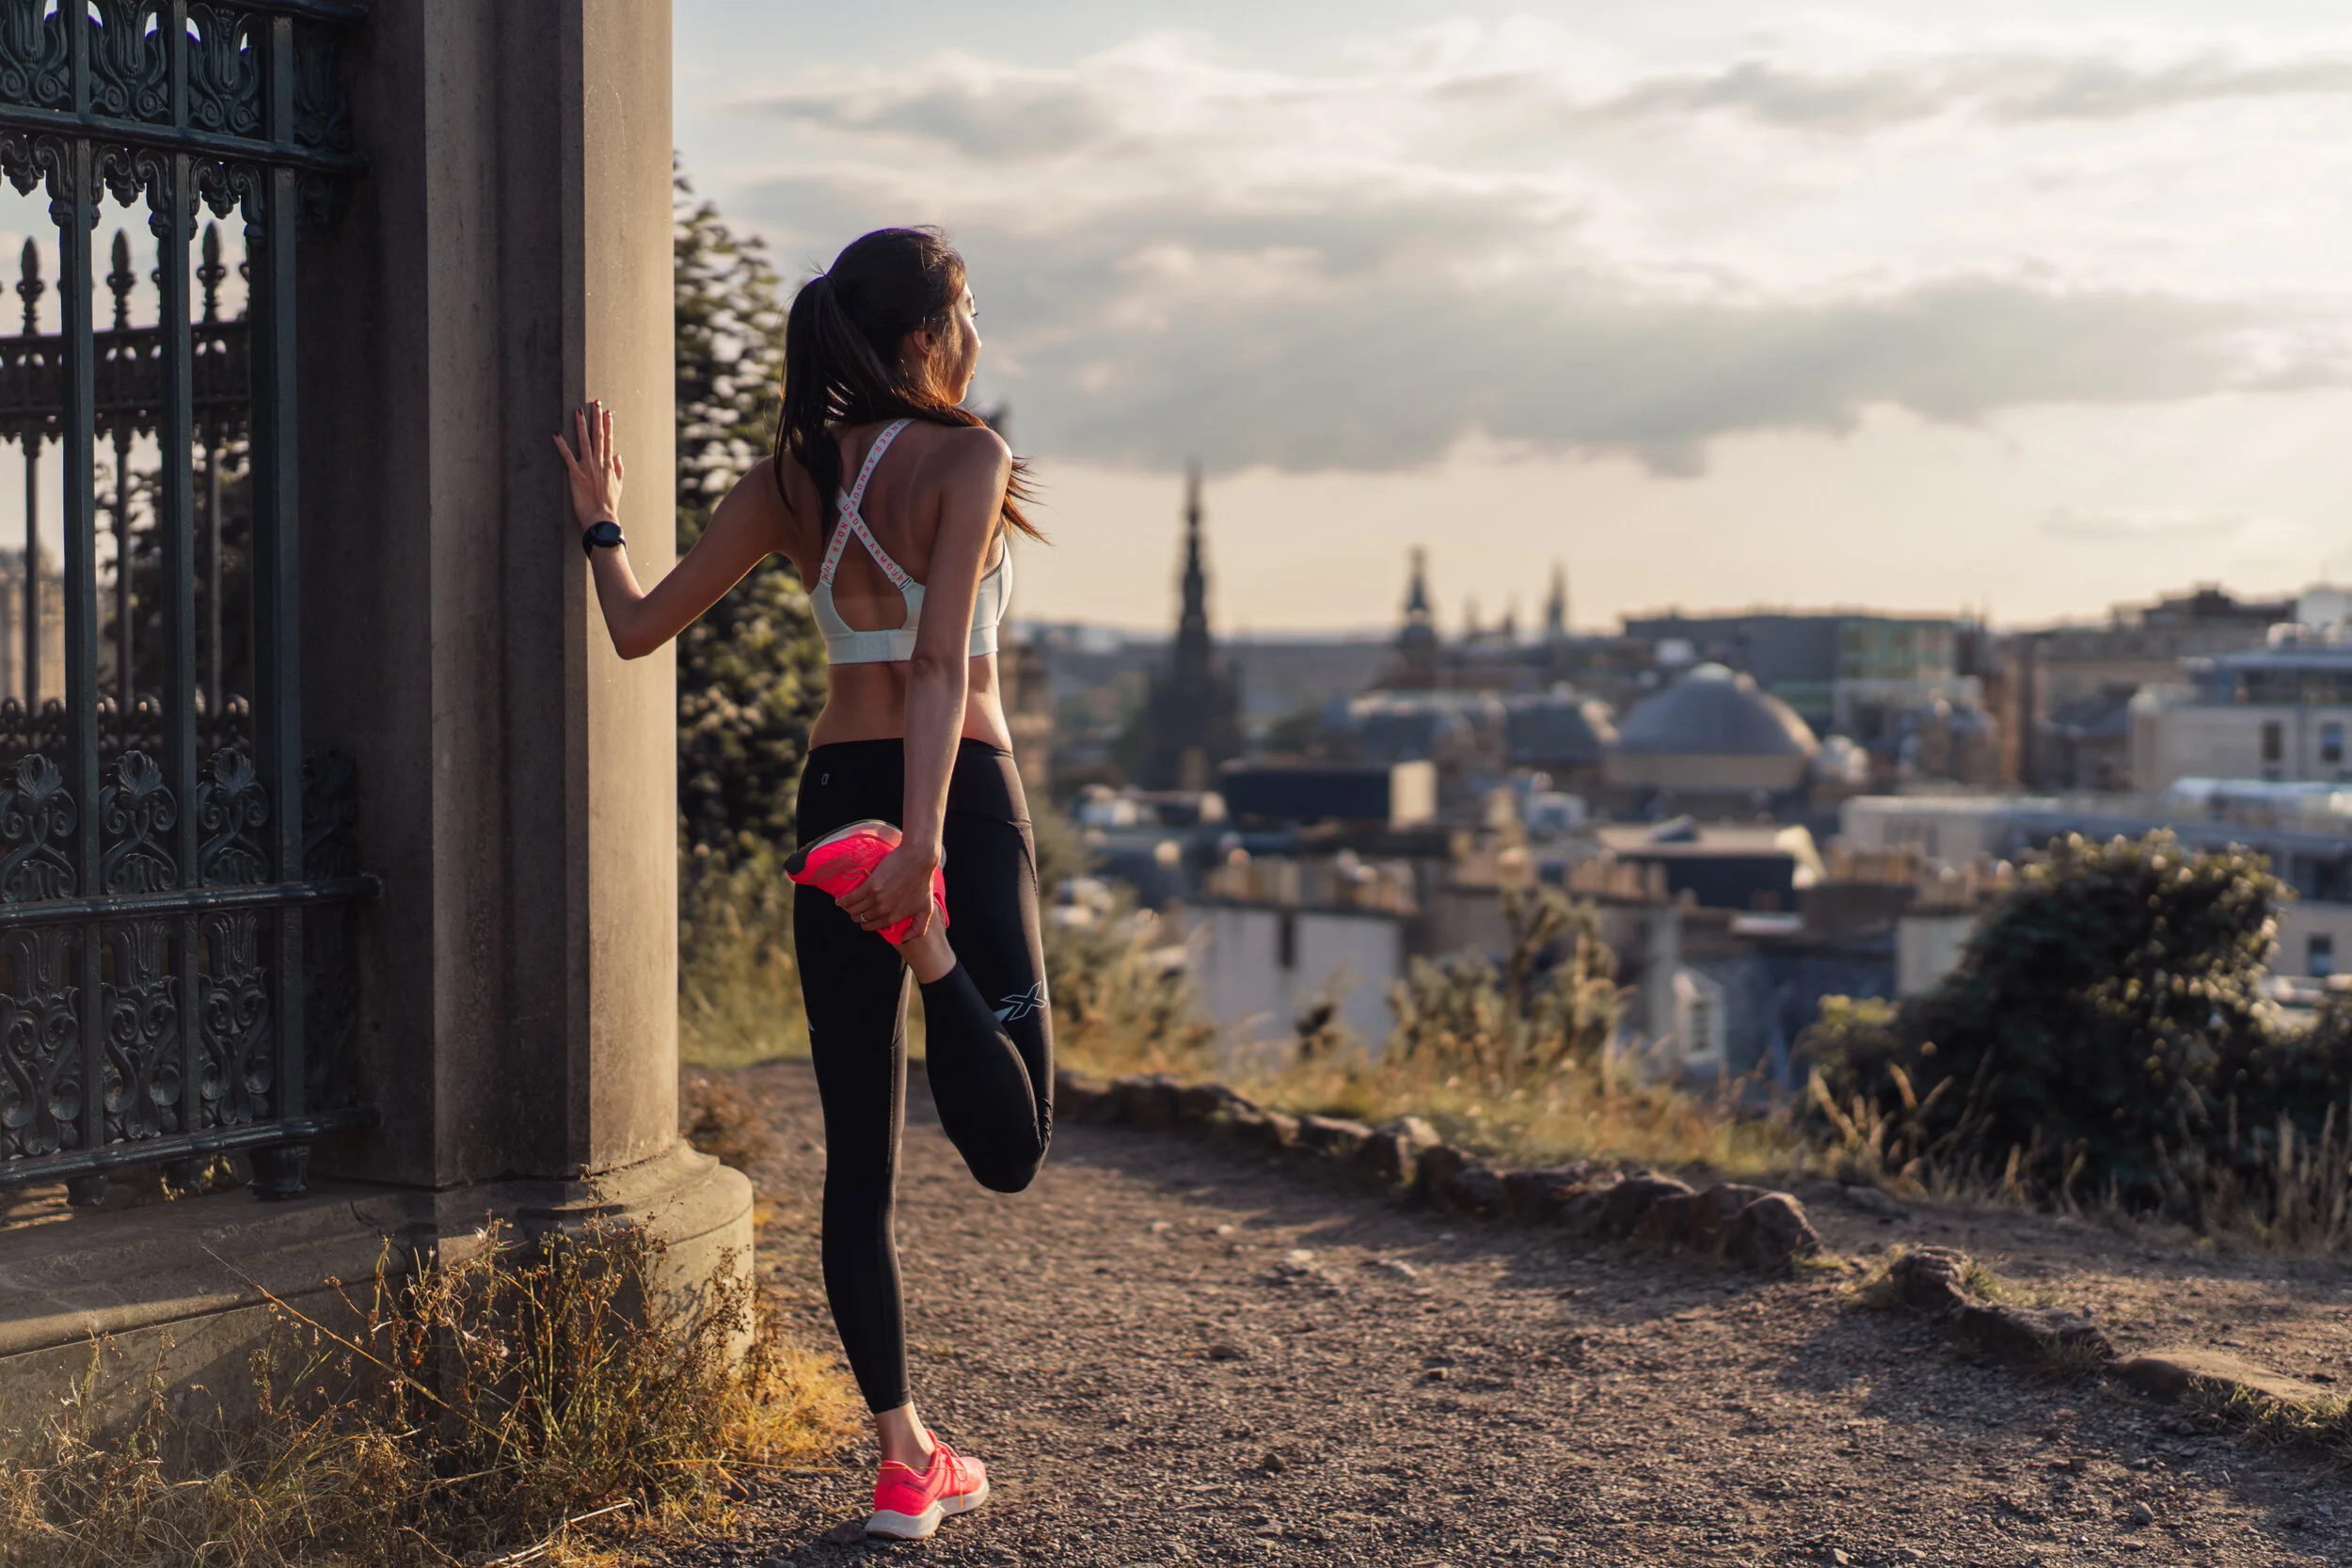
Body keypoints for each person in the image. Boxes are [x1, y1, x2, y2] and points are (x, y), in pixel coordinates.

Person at [553, 227, 1052, 1542]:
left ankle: (903, 1461)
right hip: (959, 798)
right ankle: (930, 950)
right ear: (925, 339)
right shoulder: (970, 456)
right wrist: (924, 849)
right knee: (1014, 1142)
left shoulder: (789, 479)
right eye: (968, 310)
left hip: (836, 798)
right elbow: (940, 666)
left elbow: (637, 625)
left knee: (856, 1158)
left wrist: (601, 518)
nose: (976, 332)